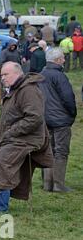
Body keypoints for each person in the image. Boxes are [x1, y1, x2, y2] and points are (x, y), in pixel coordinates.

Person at [0, 62, 53, 212]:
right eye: (1, 75)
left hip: (27, 138)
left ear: (17, 73)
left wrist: (11, 132)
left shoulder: (28, 90)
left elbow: (34, 118)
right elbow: (6, 121)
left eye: (6, 74)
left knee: (1, 162)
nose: (2, 78)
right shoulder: (14, 90)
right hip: (13, 137)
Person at [40, 48, 77, 193]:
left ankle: (47, 183)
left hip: (45, 118)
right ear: (56, 60)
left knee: (48, 151)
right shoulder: (59, 76)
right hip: (61, 120)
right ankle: (58, 184)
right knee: (61, 151)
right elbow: (68, 98)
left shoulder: (41, 74)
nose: (64, 60)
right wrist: (72, 114)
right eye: (62, 58)